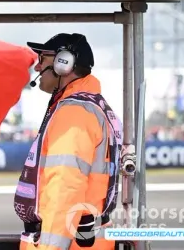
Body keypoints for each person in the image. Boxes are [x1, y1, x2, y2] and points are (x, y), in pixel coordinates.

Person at [14, 33, 122, 250]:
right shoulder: (90, 104)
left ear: (64, 63)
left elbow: (64, 189)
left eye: (42, 59)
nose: (36, 68)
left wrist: (49, 248)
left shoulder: (74, 111)